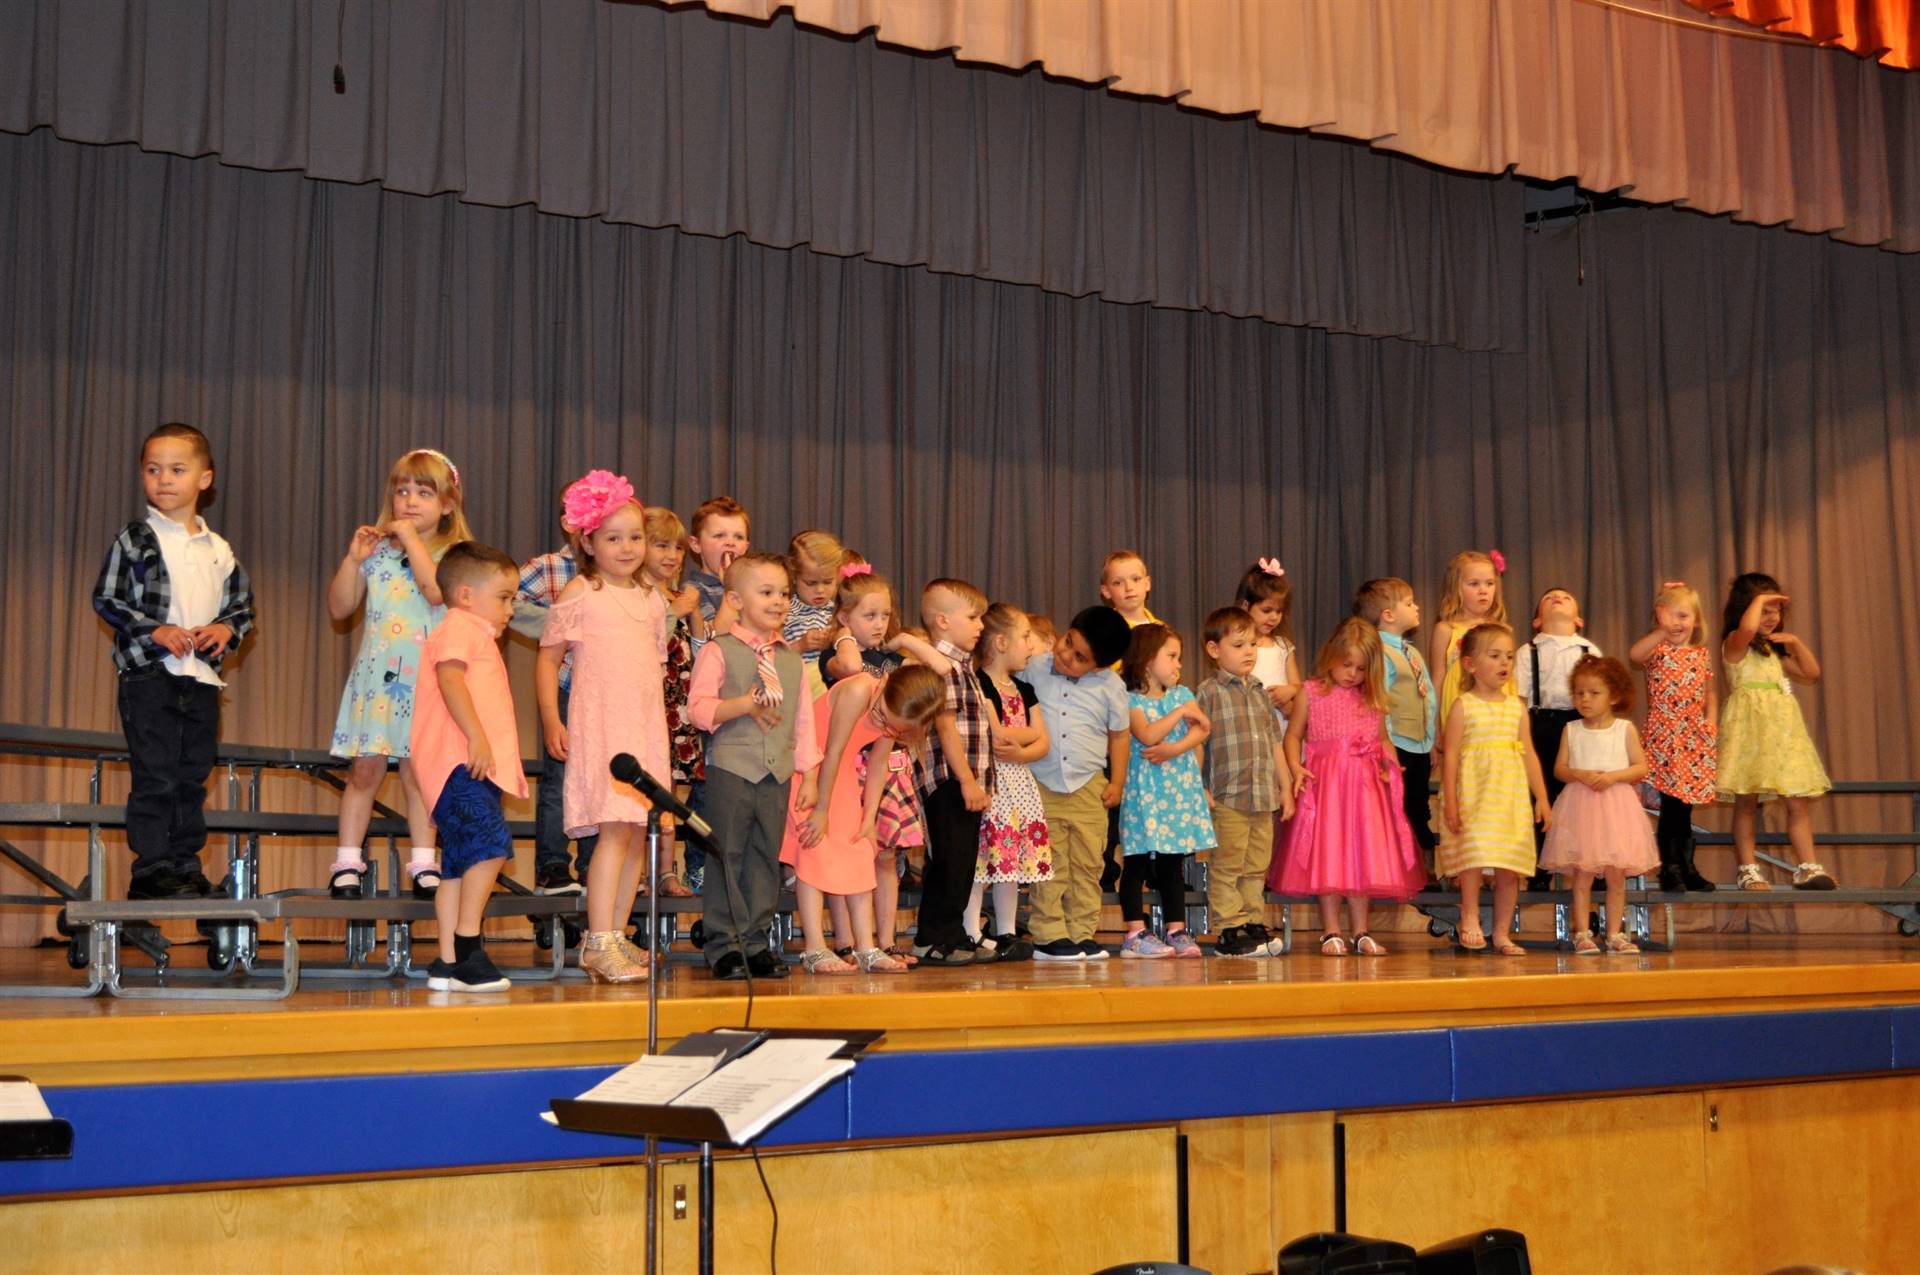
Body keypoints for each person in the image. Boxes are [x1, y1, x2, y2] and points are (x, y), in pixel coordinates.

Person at [92, 423, 255, 899]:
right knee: (156, 774)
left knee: (190, 776)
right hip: (149, 674)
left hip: (200, 679)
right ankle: (151, 868)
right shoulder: (135, 539)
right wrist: (154, 629)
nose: (164, 479)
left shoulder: (218, 548)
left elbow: (242, 607)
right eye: (153, 469)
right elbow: (107, 598)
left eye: (177, 470)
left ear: (205, 479)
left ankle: (184, 865)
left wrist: (226, 628)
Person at [536, 472, 671, 983]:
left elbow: (653, 669)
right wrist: (553, 717)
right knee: (614, 832)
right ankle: (598, 941)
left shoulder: (652, 599)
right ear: (587, 541)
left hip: (643, 728)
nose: (627, 547)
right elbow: (547, 662)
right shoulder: (581, 591)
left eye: (635, 536)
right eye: (613, 537)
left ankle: (618, 934)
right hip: (603, 725)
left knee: (639, 832)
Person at [325, 447, 470, 900]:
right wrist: (353, 560)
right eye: (402, 491)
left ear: (447, 504)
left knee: (418, 775)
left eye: (423, 493)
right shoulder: (378, 555)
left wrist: (410, 541)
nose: (409, 501)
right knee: (363, 773)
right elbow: (339, 606)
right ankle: (348, 862)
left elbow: (433, 591)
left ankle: (425, 863)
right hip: (378, 682)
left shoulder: (454, 555)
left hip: (426, 683)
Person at [687, 552, 822, 979]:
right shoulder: (718, 650)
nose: (779, 600)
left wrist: (810, 775)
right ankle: (724, 945)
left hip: (777, 772)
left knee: (765, 856)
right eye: (766, 592)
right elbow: (698, 709)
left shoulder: (791, 660)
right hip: (733, 767)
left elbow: (803, 722)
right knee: (727, 852)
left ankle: (756, 942)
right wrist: (743, 704)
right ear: (736, 599)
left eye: (783, 593)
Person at [409, 542, 527, 992]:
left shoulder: (464, 630)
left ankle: (447, 962)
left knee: (458, 864)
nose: (510, 609)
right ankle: (468, 946)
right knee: (491, 845)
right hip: (460, 763)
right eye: (503, 597)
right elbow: (450, 678)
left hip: (464, 766)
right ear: (464, 595)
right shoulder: (460, 627)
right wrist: (476, 736)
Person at [1271, 619, 1425, 956]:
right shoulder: (1310, 692)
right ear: (1330, 656)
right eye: (1347, 664)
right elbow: (1293, 735)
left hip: (1365, 790)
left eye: (1360, 668)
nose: (1352, 673)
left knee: (1363, 858)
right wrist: (1296, 766)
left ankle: (1361, 930)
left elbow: (1383, 740)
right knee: (1329, 856)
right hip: (1326, 787)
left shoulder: (1372, 700)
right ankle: (1330, 930)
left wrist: (1389, 764)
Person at [821, 560, 948, 962]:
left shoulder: (893, 661)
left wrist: (904, 640)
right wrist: (842, 636)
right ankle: (846, 941)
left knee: (886, 856)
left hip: (890, 769)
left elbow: (942, 668)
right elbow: (854, 669)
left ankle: (884, 939)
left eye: (886, 615)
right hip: (849, 770)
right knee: (847, 854)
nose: (879, 624)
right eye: (868, 615)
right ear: (845, 617)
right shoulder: (841, 658)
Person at [782, 664, 945, 973]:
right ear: (884, 683)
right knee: (814, 848)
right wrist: (820, 812)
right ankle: (814, 948)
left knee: (859, 849)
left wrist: (869, 818)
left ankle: (866, 947)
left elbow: (878, 765)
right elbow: (830, 752)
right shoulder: (859, 691)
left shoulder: (893, 713)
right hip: (808, 771)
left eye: (893, 727)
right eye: (882, 714)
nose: (880, 723)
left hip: (838, 775)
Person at [1025, 605, 1134, 961]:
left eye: (1079, 657)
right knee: (1049, 861)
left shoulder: (1111, 688)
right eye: (1067, 641)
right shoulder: (1034, 667)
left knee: (1089, 863)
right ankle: (1049, 933)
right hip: (1041, 782)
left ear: (1099, 666)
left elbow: (1119, 737)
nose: (1065, 655)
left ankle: (1081, 932)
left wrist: (1117, 781)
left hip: (1088, 785)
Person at [1438, 622, 1552, 955]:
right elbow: (1451, 758)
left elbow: (1529, 753)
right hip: (1474, 795)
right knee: (1472, 858)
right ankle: (1469, 917)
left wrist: (1542, 798)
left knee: (1508, 866)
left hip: (1509, 798)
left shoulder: (1516, 707)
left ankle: (1502, 932)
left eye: (1508, 657)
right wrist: (1450, 803)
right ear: (1470, 663)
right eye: (1494, 656)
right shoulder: (1463, 706)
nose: (1504, 663)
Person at [1718, 572, 1834, 890]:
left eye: (1776, 611)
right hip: (1750, 732)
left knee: (1797, 801)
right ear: (1747, 608)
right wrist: (1759, 602)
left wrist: (1795, 642)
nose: (1772, 617)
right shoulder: (1735, 643)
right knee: (1747, 802)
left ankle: (1808, 867)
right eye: (1765, 610)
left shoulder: (1774, 652)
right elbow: (1747, 629)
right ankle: (1748, 869)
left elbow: (1811, 672)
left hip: (1782, 733)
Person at [1540, 655, 1658, 955]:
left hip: (1616, 808)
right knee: (1582, 874)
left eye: (1594, 693)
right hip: (1581, 807)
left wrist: (1614, 777)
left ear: (1614, 696)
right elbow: (1559, 770)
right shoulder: (1572, 729)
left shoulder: (1624, 729)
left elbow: (1640, 767)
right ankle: (1581, 932)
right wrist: (1579, 774)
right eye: (1579, 693)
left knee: (1616, 875)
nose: (1585, 699)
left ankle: (1615, 933)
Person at [1196, 606, 1294, 957]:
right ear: (1214, 650)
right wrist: (1201, 787)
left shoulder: (1260, 693)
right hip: (1228, 797)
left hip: (1262, 796)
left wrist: (1285, 788)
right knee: (1227, 865)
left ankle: (1252, 920)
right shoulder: (1208, 693)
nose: (1249, 652)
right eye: (1239, 645)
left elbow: (1274, 745)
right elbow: (1198, 744)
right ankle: (1228, 928)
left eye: (1252, 644)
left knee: (1255, 866)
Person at [510, 512, 595, 896]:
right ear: (568, 522)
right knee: (560, 779)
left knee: (603, 781)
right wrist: (559, 625)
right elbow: (505, 600)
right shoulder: (548, 567)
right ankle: (553, 865)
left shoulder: (621, 578)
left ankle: (596, 865)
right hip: (567, 687)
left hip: (609, 697)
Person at [911, 578, 995, 965]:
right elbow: (945, 728)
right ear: (943, 621)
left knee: (963, 861)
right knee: (949, 858)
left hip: (968, 779)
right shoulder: (938, 665)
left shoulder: (965, 667)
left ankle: (955, 931)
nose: (981, 625)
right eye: (974, 617)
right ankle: (931, 936)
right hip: (949, 779)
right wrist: (966, 780)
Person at [1118, 624, 1211, 958]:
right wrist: (1179, 714)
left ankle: (1176, 928)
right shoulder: (1129, 699)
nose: (1178, 665)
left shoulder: (1183, 695)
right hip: (1143, 795)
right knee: (1136, 863)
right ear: (1146, 660)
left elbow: (1203, 728)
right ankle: (1134, 932)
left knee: (1173, 864)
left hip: (1176, 795)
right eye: (1171, 657)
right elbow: (1146, 734)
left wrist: (1174, 750)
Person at [970, 604, 1053, 962]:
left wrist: (1022, 749)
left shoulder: (1025, 688)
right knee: (981, 861)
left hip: (1020, 783)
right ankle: (971, 930)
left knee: (1011, 863)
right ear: (1001, 642)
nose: (1029, 646)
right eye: (1024, 638)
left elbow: (1042, 739)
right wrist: (1026, 739)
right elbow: (996, 732)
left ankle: (1006, 930)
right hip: (991, 783)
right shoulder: (980, 682)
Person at [1628, 580, 1719, 892]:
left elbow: (1710, 691)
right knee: (1672, 806)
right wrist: (1660, 632)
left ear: (1696, 620)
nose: (1679, 623)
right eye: (1672, 616)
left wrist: (1711, 721)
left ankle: (1687, 865)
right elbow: (1634, 653)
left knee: (1686, 806)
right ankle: (1670, 867)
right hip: (1665, 736)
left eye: (1685, 616)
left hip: (1692, 738)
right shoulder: (1658, 650)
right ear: (1660, 616)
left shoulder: (1701, 654)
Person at [1515, 586, 1602, 888]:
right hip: (1542, 724)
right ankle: (1540, 867)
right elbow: (1520, 699)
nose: (1557, 597)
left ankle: (1593, 866)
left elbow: (1601, 696)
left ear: (1579, 619)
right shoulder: (1528, 651)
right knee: (1541, 796)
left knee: (1585, 797)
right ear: (1537, 621)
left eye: (1566, 596)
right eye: (1549, 598)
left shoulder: (1589, 651)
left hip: (1581, 724)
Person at [1354, 578, 1438, 881]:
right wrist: (1382, 742)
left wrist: (1431, 740)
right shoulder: (1378, 651)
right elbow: (1378, 700)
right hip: (1395, 744)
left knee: (1418, 805)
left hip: (1418, 744)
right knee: (1396, 807)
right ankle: (1397, 867)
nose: (1417, 607)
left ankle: (1421, 867)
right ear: (1388, 614)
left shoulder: (1411, 652)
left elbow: (1426, 694)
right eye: (1409, 602)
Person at [639, 505, 702, 896]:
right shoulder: (638, 595)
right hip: (648, 703)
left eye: (677, 549)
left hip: (679, 705)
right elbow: (643, 646)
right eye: (660, 545)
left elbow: (701, 650)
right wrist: (673, 611)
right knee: (646, 792)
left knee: (672, 793)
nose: (671, 556)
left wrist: (691, 615)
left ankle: (666, 870)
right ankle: (643, 871)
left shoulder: (679, 595)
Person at [1429, 548, 1513, 763]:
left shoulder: (1503, 631)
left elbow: (1510, 679)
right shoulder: (1446, 630)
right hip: (1460, 713)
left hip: (1495, 717)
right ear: (1456, 588)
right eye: (1474, 584)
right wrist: (1435, 727)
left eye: (1489, 583)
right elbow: (1437, 681)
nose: (1483, 591)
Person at [1238, 557, 1302, 727]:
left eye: (1279, 611)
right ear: (1246, 606)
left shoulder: (1283, 646)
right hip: (1252, 724)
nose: (1274, 617)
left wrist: (1290, 691)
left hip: (1282, 725)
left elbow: (1299, 686)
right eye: (1266, 610)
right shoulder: (1237, 647)